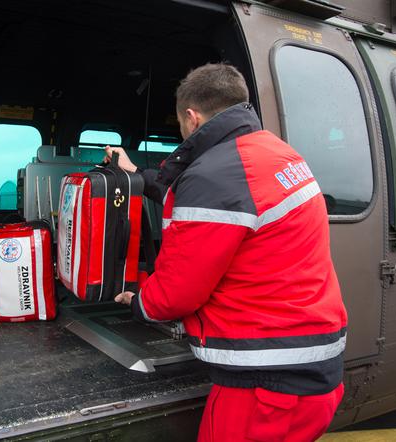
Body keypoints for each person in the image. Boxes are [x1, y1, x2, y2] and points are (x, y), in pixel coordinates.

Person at [107, 63, 348, 441]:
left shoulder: (216, 174)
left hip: (266, 384)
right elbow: (210, 199)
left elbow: (177, 292)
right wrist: (136, 172)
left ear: (191, 116)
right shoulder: (275, 154)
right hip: (309, 362)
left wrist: (139, 301)